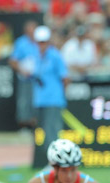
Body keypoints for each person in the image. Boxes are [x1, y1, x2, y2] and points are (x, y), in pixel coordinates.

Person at [31, 25, 69, 153]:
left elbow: (65, 77)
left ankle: (56, 161)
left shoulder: (55, 56)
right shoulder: (36, 57)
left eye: (44, 42)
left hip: (53, 99)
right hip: (40, 99)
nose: (41, 45)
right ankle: (51, 160)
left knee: (53, 131)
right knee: (44, 132)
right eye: (39, 42)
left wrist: (60, 94)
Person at [9, 20, 39, 129]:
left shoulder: (41, 42)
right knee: (25, 102)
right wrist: (22, 70)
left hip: (39, 79)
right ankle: (24, 126)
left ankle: (37, 125)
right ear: (26, 31)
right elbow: (13, 61)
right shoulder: (21, 43)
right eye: (30, 30)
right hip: (25, 79)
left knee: (37, 102)